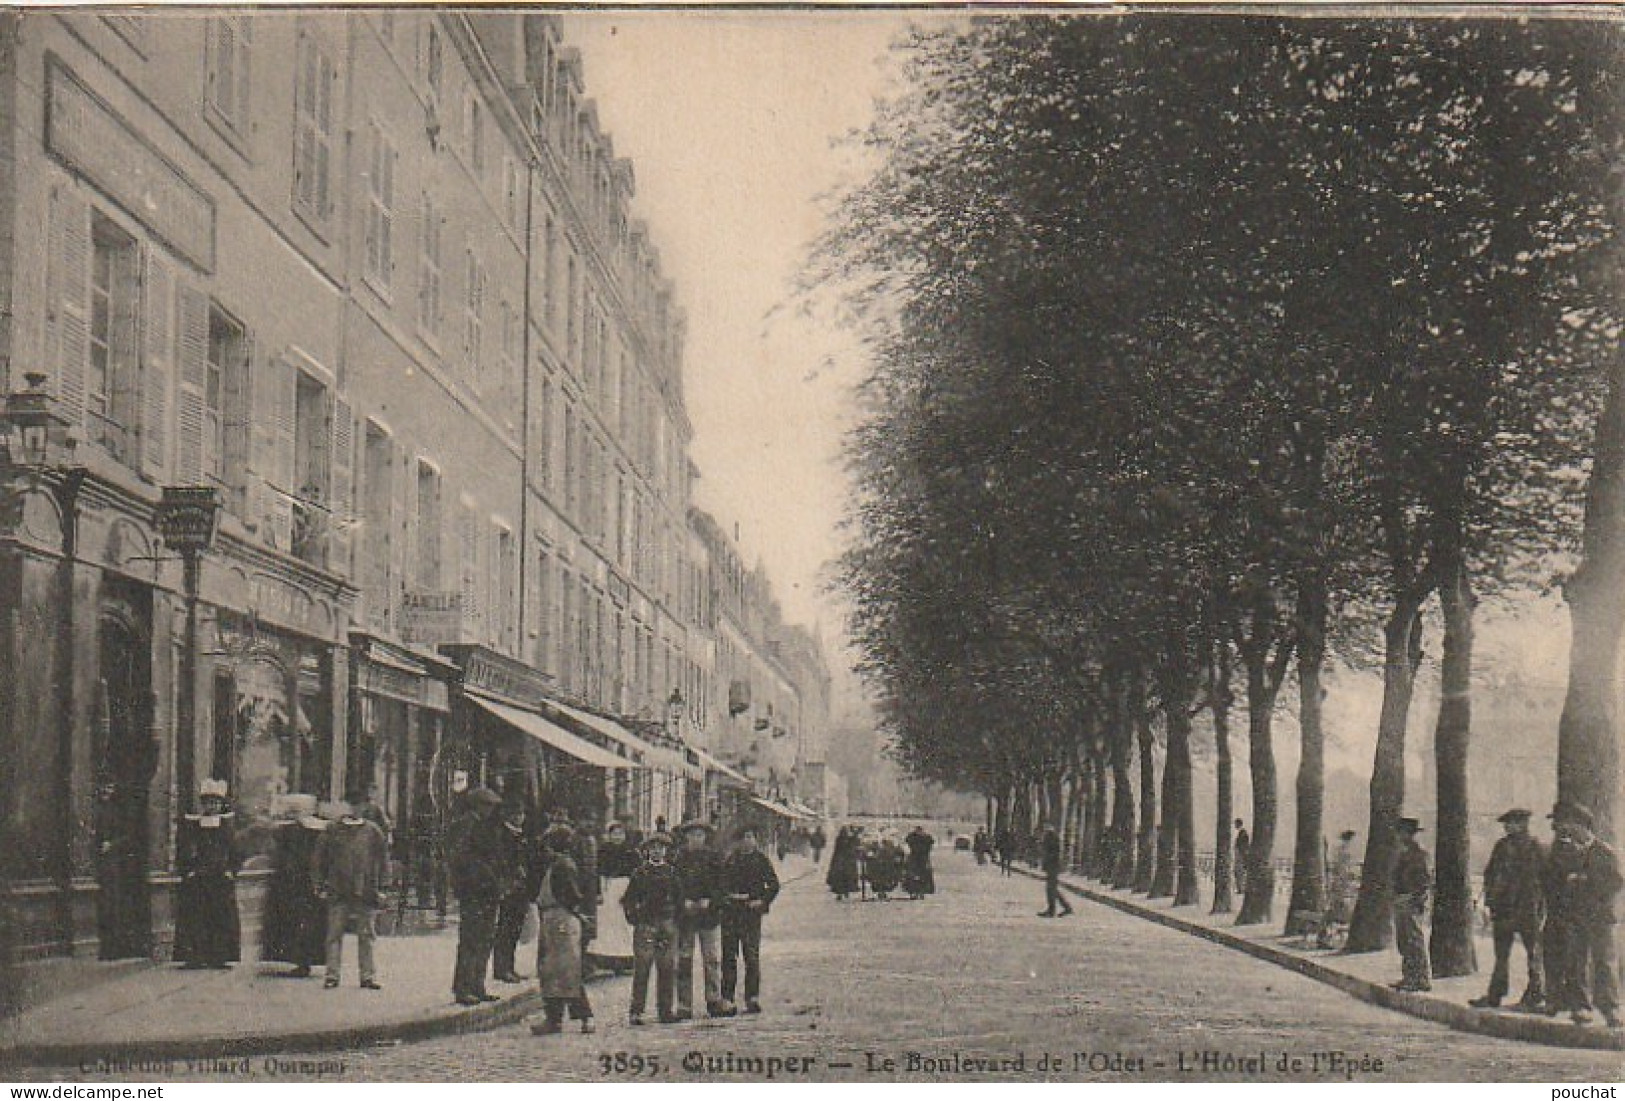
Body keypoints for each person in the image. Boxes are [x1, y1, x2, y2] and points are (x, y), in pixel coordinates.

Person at [1544, 802, 1622, 1028]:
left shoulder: (1604, 852)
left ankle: (1610, 1009)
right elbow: (1554, 879)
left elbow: (1616, 882)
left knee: (1604, 962)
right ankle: (1581, 1006)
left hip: (1600, 917)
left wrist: (1585, 880)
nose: (1567, 831)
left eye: (1572, 827)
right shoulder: (1567, 852)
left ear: (1583, 826)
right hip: (1576, 917)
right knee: (1576, 961)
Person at [1469, 808, 1546, 1011]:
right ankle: (1495, 995)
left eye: (1512, 823)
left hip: (1527, 909)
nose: (1507, 827)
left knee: (1534, 953)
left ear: (1523, 824)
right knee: (1501, 955)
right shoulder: (1501, 846)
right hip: (1503, 909)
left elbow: (1544, 880)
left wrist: (1539, 906)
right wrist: (1491, 899)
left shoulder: (1535, 847)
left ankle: (1535, 994)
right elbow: (1490, 873)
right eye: (1507, 824)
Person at [315, 798, 388, 990]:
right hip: (338, 889)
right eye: (350, 805)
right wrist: (320, 885)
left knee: (367, 934)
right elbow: (319, 859)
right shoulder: (332, 830)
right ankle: (332, 975)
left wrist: (383, 888)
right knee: (334, 934)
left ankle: (368, 976)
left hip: (366, 889)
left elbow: (383, 861)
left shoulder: (373, 831)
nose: (354, 809)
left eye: (358, 805)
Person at [529, 823, 595, 1035]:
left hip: (561, 920)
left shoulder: (563, 865)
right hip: (554, 918)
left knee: (565, 972)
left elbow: (572, 896)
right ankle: (555, 1018)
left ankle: (583, 1017)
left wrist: (577, 913)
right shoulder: (559, 863)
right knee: (553, 972)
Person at [450, 787, 510, 1006]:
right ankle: (463, 987)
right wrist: (486, 875)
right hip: (473, 891)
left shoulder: (487, 826)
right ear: (478, 805)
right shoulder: (466, 826)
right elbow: (462, 859)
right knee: (471, 939)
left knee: (485, 939)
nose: (491, 810)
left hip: (488, 891)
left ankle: (477, 985)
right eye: (488, 805)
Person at [174, 780, 241, 969]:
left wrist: (231, 871)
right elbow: (186, 849)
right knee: (196, 918)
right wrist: (188, 870)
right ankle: (195, 956)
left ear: (221, 805)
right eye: (208, 802)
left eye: (215, 802)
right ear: (203, 804)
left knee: (219, 918)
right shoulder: (194, 824)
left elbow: (235, 850)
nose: (212, 806)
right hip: (199, 878)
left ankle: (218, 957)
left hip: (220, 878)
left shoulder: (227, 824)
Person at [261, 794, 327, 977]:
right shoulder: (292, 830)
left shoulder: (313, 830)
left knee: (304, 921)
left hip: (302, 882)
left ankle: (303, 960)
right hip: (292, 882)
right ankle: (301, 959)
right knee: (298, 921)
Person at [622, 831, 683, 1025]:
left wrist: (675, 921)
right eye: (653, 848)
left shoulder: (672, 873)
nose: (657, 851)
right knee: (642, 967)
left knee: (666, 967)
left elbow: (680, 900)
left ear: (666, 851)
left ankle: (665, 1010)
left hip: (667, 923)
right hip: (646, 925)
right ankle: (636, 1011)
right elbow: (628, 900)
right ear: (647, 851)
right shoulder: (640, 873)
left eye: (661, 848)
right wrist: (635, 918)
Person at [718, 829, 779, 1016]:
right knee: (729, 956)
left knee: (751, 956)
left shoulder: (761, 861)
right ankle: (727, 998)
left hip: (751, 915)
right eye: (743, 838)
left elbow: (774, 885)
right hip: (731, 914)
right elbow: (720, 885)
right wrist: (729, 897)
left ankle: (752, 997)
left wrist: (762, 901)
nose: (747, 841)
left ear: (755, 840)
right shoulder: (730, 861)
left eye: (750, 837)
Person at [673, 820, 728, 1019]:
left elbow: (722, 885)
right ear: (686, 837)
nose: (697, 838)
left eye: (700, 835)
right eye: (692, 835)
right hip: (686, 918)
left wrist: (710, 900)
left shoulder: (714, 858)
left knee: (711, 959)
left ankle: (713, 999)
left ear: (705, 837)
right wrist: (683, 901)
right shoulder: (678, 860)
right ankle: (684, 1004)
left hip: (708, 917)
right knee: (684, 959)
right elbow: (673, 886)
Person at [491, 802, 539, 984]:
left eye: (522, 814)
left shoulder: (520, 835)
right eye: (517, 814)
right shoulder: (503, 835)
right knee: (506, 928)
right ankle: (502, 968)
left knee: (515, 929)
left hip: (521, 889)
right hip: (509, 888)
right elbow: (501, 860)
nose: (520, 817)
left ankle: (509, 967)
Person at [1390, 816, 1432, 992]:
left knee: (1414, 940)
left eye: (1402, 833)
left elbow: (1424, 882)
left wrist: (1413, 898)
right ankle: (1409, 976)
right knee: (1404, 941)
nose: (1399, 836)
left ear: (1409, 834)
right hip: (1401, 901)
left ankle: (1421, 978)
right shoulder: (1404, 854)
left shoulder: (1420, 855)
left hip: (1412, 902)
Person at [1038, 827, 1074, 918]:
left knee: (1051, 889)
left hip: (1053, 867)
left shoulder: (1052, 839)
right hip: (1052, 866)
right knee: (1052, 889)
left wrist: (1046, 862)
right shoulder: (1052, 838)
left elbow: (1051, 854)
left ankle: (1055, 909)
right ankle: (1061, 908)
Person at [827, 825, 860, 900]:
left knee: (840, 878)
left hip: (840, 862)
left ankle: (841, 893)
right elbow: (852, 846)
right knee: (846, 877)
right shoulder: (846, 840)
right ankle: (845, 892)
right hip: (845, 862)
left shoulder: (840, 839)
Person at [903, 825, 936, 899]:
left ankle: (918, 892)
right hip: (919, 858)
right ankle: (918, 892)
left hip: (918, 858)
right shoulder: (925, 837)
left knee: (918, 876)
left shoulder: (913, 836)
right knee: (918, 876)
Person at [1234, 820, 1251, 897]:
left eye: (1236, 824)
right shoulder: (1241, 833)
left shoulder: (1243, 833)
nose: (1235, 826)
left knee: (1240, 872)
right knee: (1238, 872)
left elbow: (1244, 847)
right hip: (1239, 855)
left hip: (1241, 856)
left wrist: (1242, 855)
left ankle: (1241, 889)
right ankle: (1240, 888)